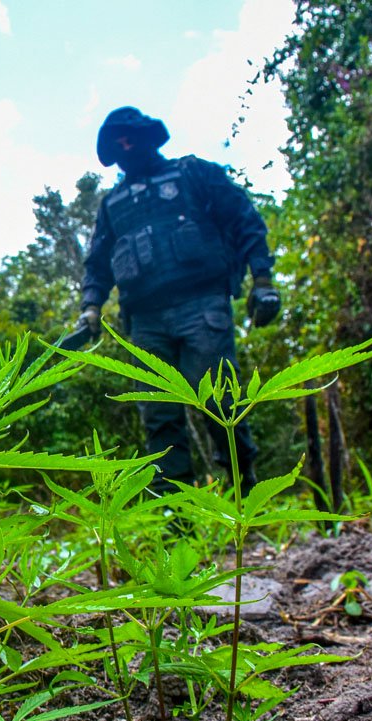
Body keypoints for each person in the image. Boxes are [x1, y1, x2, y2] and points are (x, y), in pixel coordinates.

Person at [79, 106, 282, 496]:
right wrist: (91, 305)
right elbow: (98, 263)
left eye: (130, 136)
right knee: (159, 416)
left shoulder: (193, 175)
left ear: (148, 137)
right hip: (144, 322)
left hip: (202, 306)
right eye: (117, 140)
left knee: (220, 402)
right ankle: (178, 513)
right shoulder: (113, 205)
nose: (125, 144)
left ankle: (244, 492)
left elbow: (245, 220)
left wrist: (263, 280)